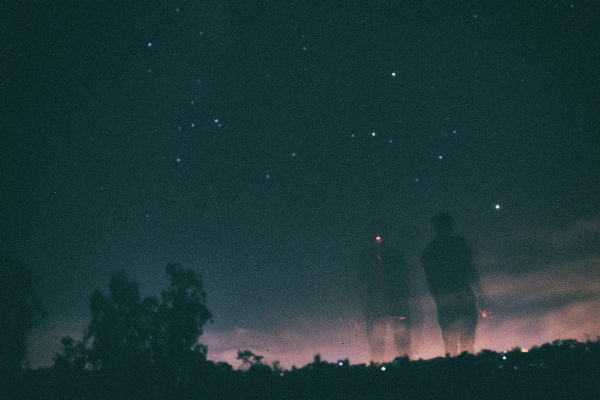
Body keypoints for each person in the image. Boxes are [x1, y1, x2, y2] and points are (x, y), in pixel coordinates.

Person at [421, 212, 485, 357]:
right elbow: (471, 271)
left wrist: (438, 298)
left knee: (452, 342)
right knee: (466, 341)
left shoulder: (430, 250)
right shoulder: (459, 244)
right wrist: (480, 295)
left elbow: (430, 280)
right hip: (463, 296)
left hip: (447, 300)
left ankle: (454, 372)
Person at [358, 220, 411, 362]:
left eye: (380, 233)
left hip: (394, 304)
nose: (378, 237)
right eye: (375, 233)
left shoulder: (395, 254)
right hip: (376, 305)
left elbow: (403, 279)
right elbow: (361, 281)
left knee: (402, 342)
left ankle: (406, 369)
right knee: (377, 344)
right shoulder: (366, 257)